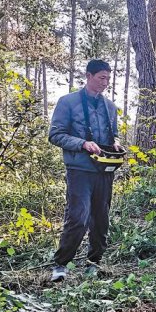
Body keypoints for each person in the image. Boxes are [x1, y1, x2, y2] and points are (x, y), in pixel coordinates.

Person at [48, 59, 121, 282]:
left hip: (104, 170)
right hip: (79, 169)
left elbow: (114, 134)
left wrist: (116, 143)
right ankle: (60, 265)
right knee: (78, 217)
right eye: (101, 78)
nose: (105, 83)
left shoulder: (110, 107)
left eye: (108, 79)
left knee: (101, 219)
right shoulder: (67, 102)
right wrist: (82, 144)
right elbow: (55, 135)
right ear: (88, 76)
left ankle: (94, 263)